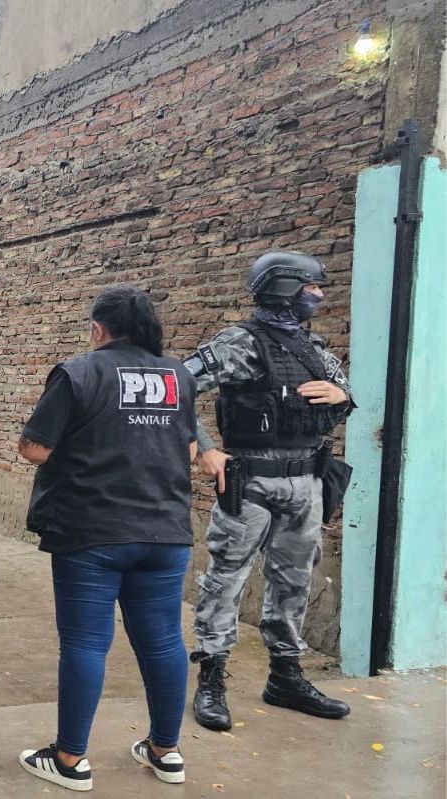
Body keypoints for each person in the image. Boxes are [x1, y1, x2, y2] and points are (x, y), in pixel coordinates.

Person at [17, 285, 198, 792]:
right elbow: (187, 447)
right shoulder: (178, 375)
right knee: (164, 641)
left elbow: (34, 449)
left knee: (85, 642)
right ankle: (166, 751)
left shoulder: (80, 372)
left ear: (98, 329)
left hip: (92, 531)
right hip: (165, 531)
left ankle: (70, 759)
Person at [184, 250, 352, 732]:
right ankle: (211, 677)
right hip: (251, 482)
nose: (318, 295)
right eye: (311, 287)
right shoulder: (239, 342)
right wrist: (205, 449)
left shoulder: (312, 346)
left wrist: (343, 395)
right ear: (284, 287)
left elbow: (343, 395)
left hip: (307, 482)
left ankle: (286, 677)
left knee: (295, 580)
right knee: (226, 579)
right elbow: (177, 388)